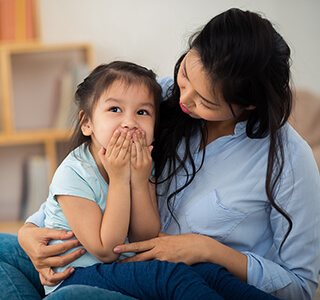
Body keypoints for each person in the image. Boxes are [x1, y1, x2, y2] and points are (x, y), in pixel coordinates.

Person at [0, 7, 319, 300]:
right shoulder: (157, 100)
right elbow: (79, 188)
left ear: (247, 105)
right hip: (104, 264)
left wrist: (208, 249)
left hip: (171, 279)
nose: (184, 99)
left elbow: (302, 288)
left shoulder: (290, 160)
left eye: (205, 101)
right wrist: (30, 232)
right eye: (185, 74)